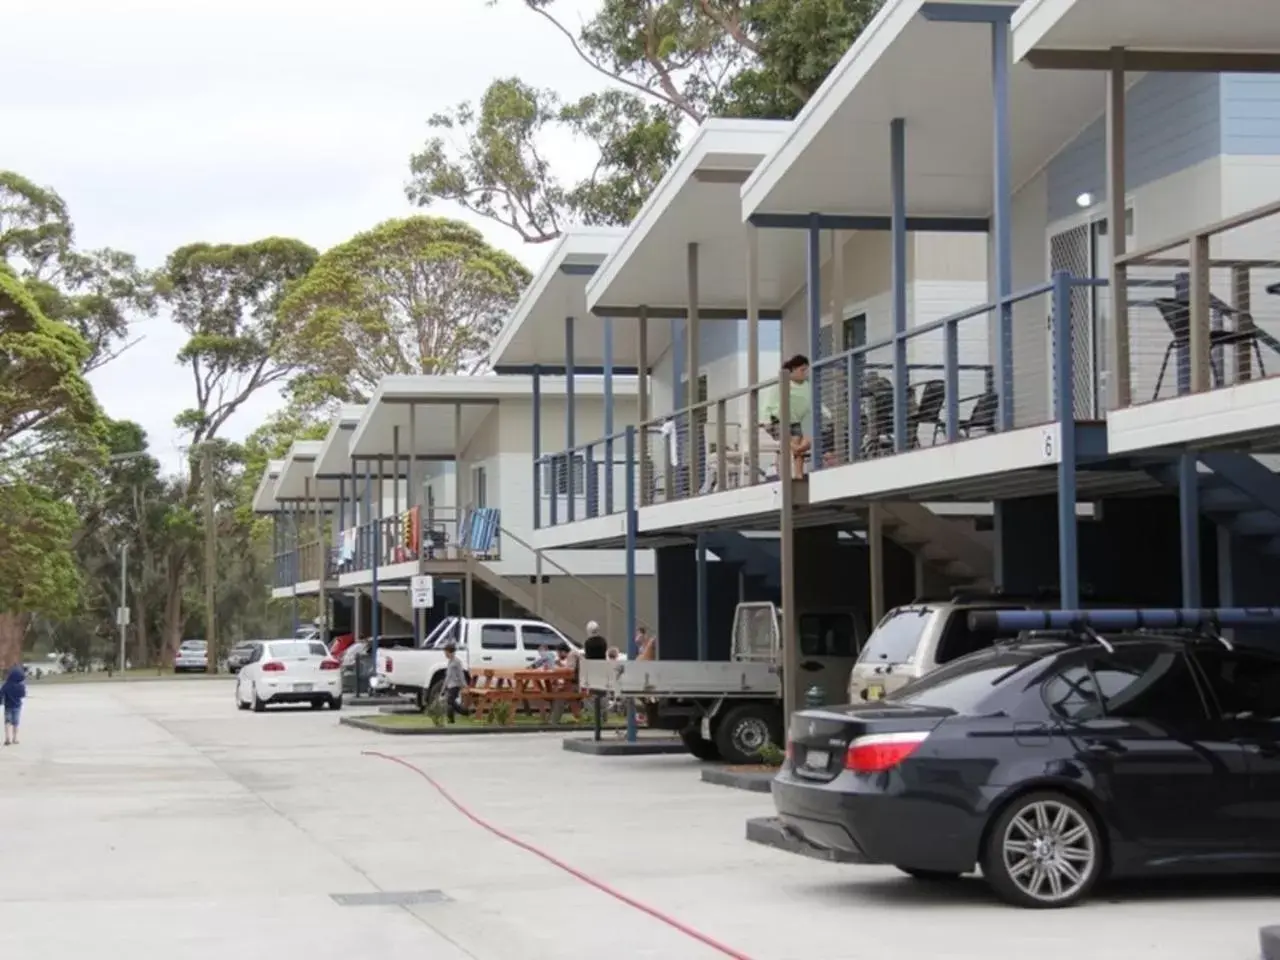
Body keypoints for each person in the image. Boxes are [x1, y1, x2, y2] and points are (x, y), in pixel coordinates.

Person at [762, 354, 834, 479]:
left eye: (806, 370)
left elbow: (816, 401)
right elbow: (768, 405)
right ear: (793, 370)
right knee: (795, 438)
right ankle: (788, 469)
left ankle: (798, 473)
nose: (805, 373)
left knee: (800, 437)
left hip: (796, 422)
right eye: (802, 370)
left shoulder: (807, 385)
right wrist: (767, 420)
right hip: (777, 421)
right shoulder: (782, 384)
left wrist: (828, 414)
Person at [441, 643, 468, 723]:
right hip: (450, 685)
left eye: (446, 653)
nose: (445, 655)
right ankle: (456, 717)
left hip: (455, 685)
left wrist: (464, 685)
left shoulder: (457, 662)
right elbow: (448, 676)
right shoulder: (450, 662)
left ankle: (463, 713)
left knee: (450, 701)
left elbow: (461, 674)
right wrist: (443, 687)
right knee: (450, 702)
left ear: (451, 652)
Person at [2, 665, 26, 746]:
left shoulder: (6, 685)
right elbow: (23, 695)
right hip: (17, 706)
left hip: (8, 706)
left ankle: (7, 738)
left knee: (7, 722)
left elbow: (1, 694)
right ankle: (15, 738)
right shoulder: (20, 686)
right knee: (16, 723)